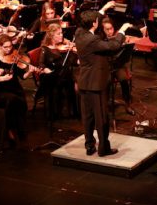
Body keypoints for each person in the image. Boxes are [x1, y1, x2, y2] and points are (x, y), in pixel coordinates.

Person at [74, 9, 131, 157]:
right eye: (97, 21)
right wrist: (122, 31)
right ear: (94, 23)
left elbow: (90, 20)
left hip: (84, 82)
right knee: (102, 118)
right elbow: (113, 46)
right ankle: (103, 148)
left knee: (88, 117)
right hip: (96, 84)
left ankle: (89, 146)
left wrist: (104, 8)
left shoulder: (79, 33)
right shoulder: (92, 40)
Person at [0, 33, 38, 144]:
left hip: (14, 87)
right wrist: (0, 78)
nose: (9, 49)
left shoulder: (15, 57)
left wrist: (29, 71)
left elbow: (22, 76)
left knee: (21, 102)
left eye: (10, 46)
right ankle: (8, 129)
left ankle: (20, 129)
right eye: (6, 47)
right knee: (11, 101)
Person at [36, 23, 78, 120]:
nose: (61, 35)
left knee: (69, 79)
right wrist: (47, 70)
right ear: (51, 36)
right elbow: (41, 64)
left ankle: (71, 111)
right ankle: (57, 112)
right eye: (58, 34)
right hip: (52, 76)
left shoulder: (64, 47)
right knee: (63, 80)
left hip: (64, 75)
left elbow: (72, 61)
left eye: (61, 33)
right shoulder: (45, 49)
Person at [101, 16, 135, 116]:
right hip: (105, 67)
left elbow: (124, 47)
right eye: (107, 29)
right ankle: (105, 106)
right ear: (102, 30)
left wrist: (125, 43)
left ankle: (127, 104)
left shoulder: (118, 36)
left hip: (117, 65)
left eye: (111, 28)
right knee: (106, 82)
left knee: (124, 79)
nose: (109, 31)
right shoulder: (100, 40)